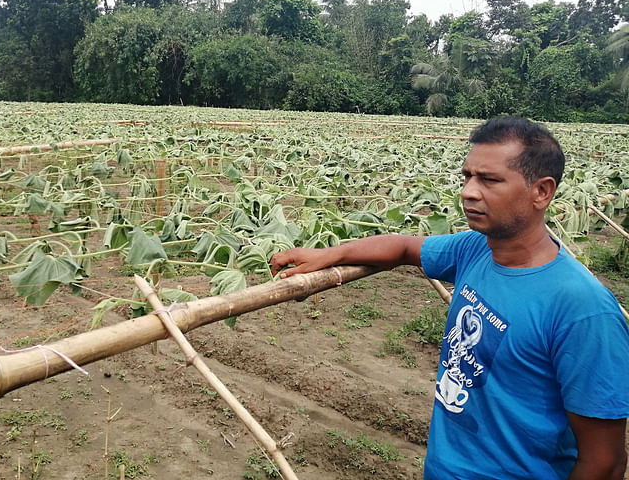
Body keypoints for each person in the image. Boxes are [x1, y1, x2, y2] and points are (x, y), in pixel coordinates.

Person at [269, 116, 629, 480]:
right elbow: (405, 246)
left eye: (489, 180)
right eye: (467, 176)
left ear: (542, 192)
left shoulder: (582, 310)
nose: (468, 192)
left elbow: (605, 462)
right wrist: (330, 254)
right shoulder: (477, 249)